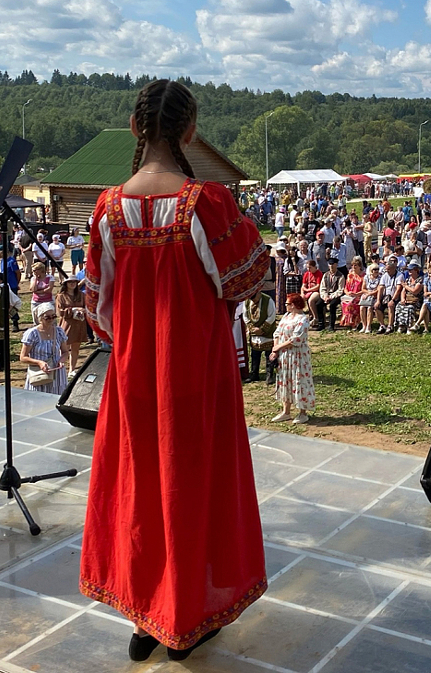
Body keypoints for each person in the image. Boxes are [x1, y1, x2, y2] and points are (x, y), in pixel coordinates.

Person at [80, 80, 268, 662]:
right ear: (190, 132)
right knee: (192, 489)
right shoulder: (206, 203)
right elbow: (248, 276)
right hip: (197, 375)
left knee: (142, 492)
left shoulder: (109, 206)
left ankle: (147, 620)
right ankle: (184, 618)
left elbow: (99, 310)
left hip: (135, 374)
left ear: (136, 129)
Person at [271, 293, 314, 423]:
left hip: (298, 355)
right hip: (284, 356)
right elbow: (277, 332)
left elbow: (296, 339)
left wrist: (278, 347)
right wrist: (275, 349)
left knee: (299, 380)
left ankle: (302, 412)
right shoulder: (286, 316)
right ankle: (286, 411)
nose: (286, 306)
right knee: (285, 380)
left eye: (287, 304)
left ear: (294, 305)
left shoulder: (303, 319)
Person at [20, 302, 69, 394]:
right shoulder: (32, 334)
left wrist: (61, 360)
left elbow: (65, 352)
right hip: (39, 374)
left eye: (53, 316)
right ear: (40, 318)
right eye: (47, 317)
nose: (51, 320)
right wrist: (39, 362)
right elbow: (23, 357)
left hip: (57, 374)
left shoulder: (59, 331)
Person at [244, 289, 278, 383]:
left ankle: (269, 375)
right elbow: (245, 316)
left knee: (268, 354)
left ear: (258, 293)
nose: (253, 300)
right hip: (255, 332)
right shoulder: (247, 302)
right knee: (255, 354)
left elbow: (271, 316)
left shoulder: (268, 300)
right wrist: (252, 328)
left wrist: (262, 329)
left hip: (267, 332)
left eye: (254, 297)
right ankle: (254, 374)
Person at [56, 277, 87, 371]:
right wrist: (73, 310)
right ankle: (60, 368)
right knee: (64, 348)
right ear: (66, 284)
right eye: (70, 282)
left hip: (79, 324)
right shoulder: (61, 296)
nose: (72, 283)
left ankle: (72, 370)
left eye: (74, 282)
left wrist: (83, 311)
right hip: (67, 324)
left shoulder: (82, 295)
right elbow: (59, 312)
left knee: (75, 348)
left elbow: (88, 308)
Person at [340, 258, 364, 329]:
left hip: (358, 295)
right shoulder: (350, 275)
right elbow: (346, 288)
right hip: (349, 295)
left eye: (355, 265)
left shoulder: (363, 277)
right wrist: (347, 293)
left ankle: (355, 323)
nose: (353, 267)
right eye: (352, 265)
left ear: (360, 266)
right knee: (344, 302)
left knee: (352, 303)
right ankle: (347, 322)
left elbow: (364, 289)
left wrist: (356, 294)